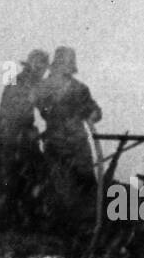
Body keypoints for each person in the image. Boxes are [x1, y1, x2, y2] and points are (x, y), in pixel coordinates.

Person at [35, 46, 102, 229]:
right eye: (61, 65)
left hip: (78, 142)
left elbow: (95, 111)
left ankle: (88, 225)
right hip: (56, 143)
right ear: (55, 66)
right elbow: (43, 109)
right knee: (59, 185)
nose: (63, 69)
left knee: (86, 182)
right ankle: (61, 226)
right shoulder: (44, 87)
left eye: (67, 65)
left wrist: (92, 113)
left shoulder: (80, 89)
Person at [0, 49, 48, 224]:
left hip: (2, 137)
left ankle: (6, 217)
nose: (43, 72)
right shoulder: (29, 84)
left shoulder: (18, 80)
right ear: (35, 67)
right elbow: (39, 110)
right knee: (18, 178)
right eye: (42, 67)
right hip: (12, 139)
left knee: (8, 180)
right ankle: (2, 216)